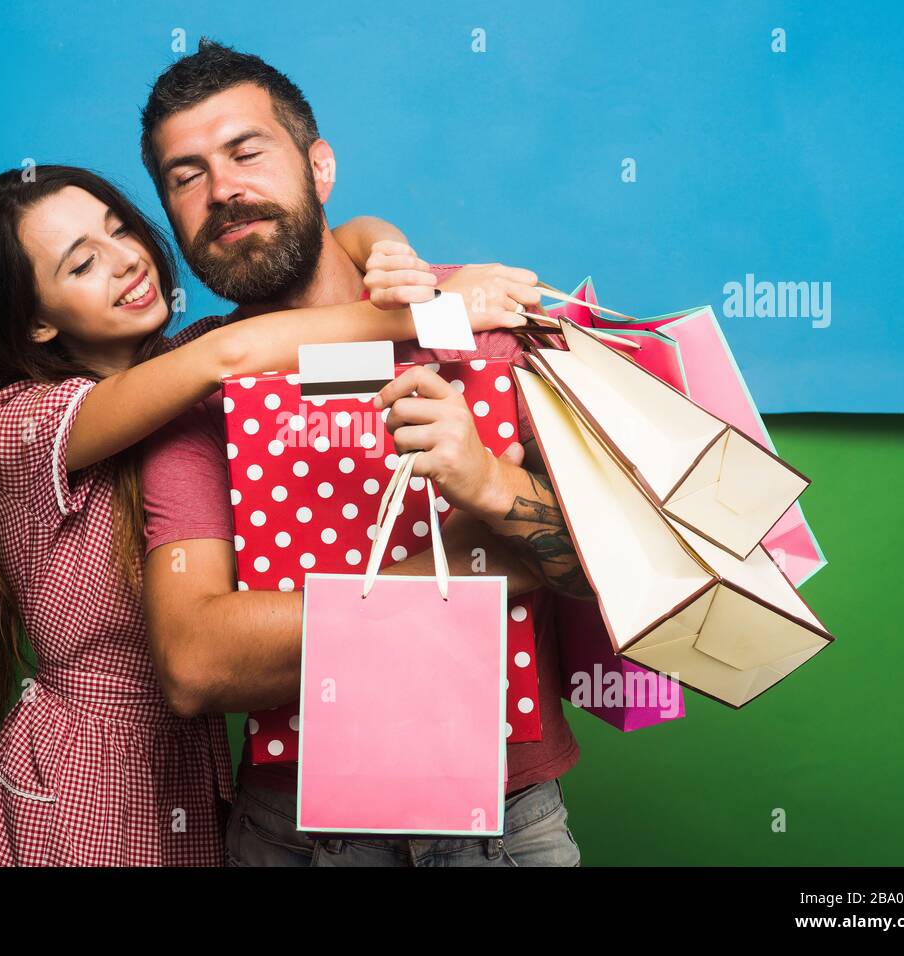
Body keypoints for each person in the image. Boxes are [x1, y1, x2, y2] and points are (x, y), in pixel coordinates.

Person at [0, 163, 526, 866]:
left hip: (194, 773)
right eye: (83, 263)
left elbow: (340, 244)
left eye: (120, 230)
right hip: (83, 778)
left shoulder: (187, 371)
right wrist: (438, 308)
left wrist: (394, 257)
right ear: (36, 321)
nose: (125, 262)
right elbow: (231, 353)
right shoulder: (19, 422)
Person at [138, 40, 590, 866]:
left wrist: (490, 482)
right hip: (299, 828)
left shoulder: (479, 313)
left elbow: (613, 573)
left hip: (507, 818)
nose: (223, 191)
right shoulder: (186, 388)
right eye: (185, 175)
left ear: (320, 168)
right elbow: (198, 663)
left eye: (246, 152)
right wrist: (480, 568)